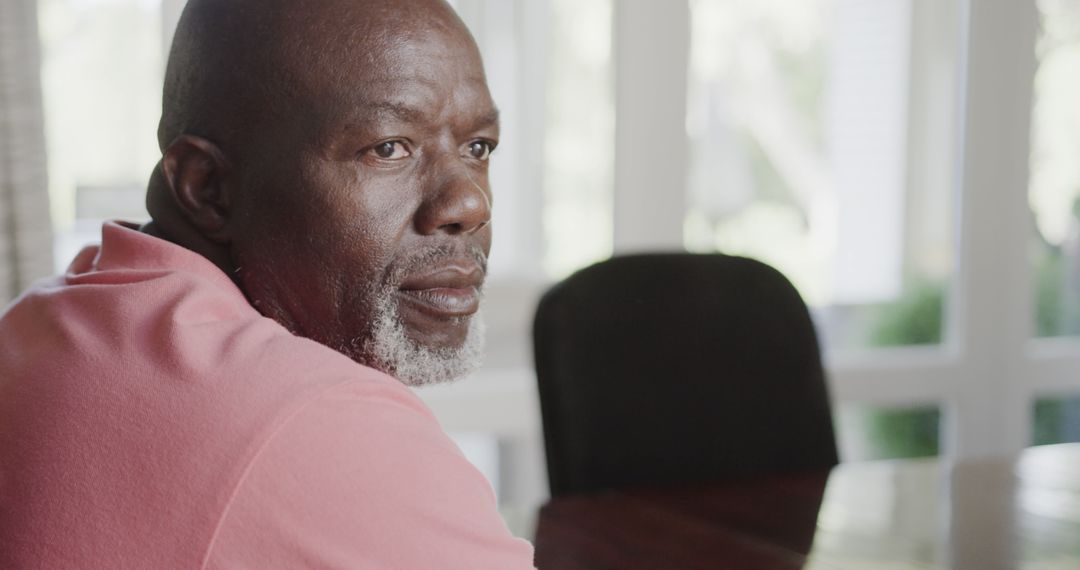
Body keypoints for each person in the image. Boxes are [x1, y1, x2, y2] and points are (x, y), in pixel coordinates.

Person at [0, 0, 537, 567]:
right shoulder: (330, 425)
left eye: (479, 147)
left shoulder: (34, 324)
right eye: (388, 148)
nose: (470, 203)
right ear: (208, 188)